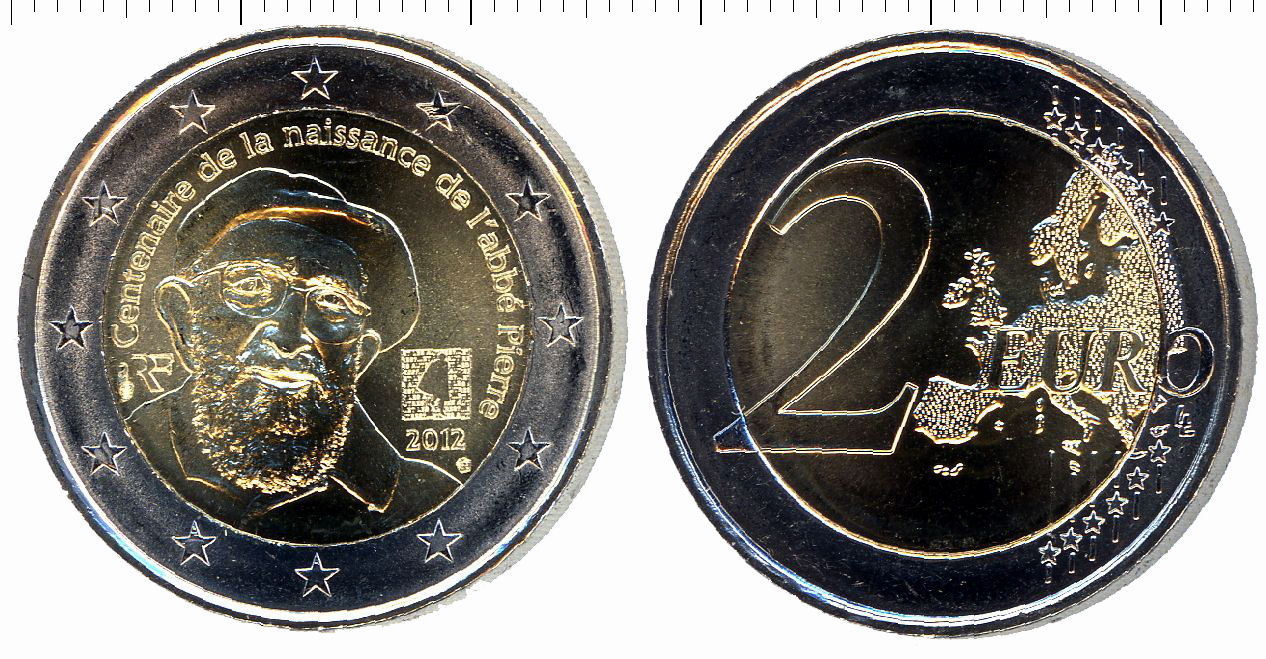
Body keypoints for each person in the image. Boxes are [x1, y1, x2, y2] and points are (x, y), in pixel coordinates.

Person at [129, 167, 459, 543]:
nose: (289, 338)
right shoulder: (130, 451)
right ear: (183, 320)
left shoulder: (425, 497)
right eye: (252, 286)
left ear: (360, 356)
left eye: (332, 302)